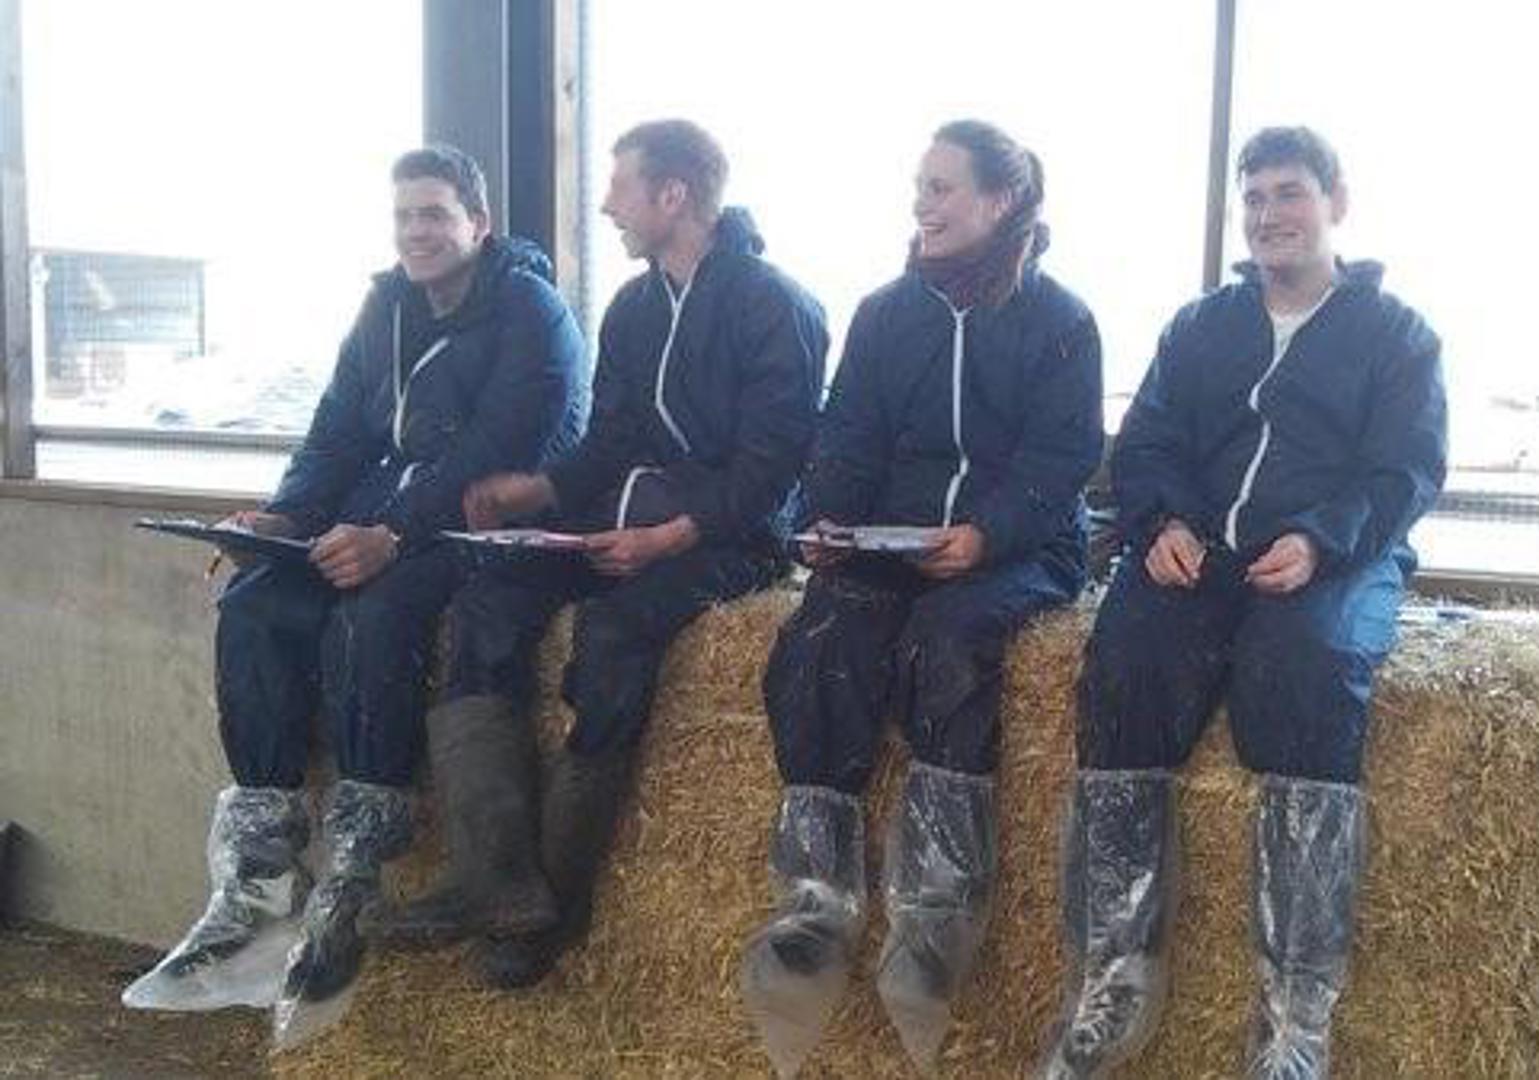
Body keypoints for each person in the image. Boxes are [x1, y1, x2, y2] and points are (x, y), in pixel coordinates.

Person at [124, 145, 590, 1023]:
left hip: (483, 523)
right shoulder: (386, 307)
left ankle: (354, 871)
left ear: (478, 224)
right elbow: (338, 425)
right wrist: (286, 516)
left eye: (435, 214)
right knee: (258, 602)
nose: (416, 231)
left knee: (372, 615)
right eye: (404, 215)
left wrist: (392, 534)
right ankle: (258, 874)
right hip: (393, 508)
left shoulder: (531, 310)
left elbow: (496, 446)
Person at [373, 119, 828, 991]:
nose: (608, 203)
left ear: (673, 196)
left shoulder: (777, 305)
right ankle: (497, 884)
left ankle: (557, 901)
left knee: (615, 636)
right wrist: (534, 494)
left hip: (730, 541)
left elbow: (772, 472)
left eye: (621, 186)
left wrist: (667, 537)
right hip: (619, 517)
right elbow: (611, 439)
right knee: (486, 603)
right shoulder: (634, 305)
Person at [1036, 126, 1447, 1079]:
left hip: (1335, 556)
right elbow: (1146, 442)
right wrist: (1162, 524)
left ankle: (1296, 1013)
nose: (1271, 215)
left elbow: (1406, 471)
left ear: (1336, 202)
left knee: (1307, 670)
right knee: (1128, 659)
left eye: (1290, 193)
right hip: (1203, 551)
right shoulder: (1201, 326)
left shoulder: (1397, 336)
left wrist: (1320, 540)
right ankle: (1113, 973)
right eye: (1255, 197)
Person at [741, 119, 1103, 1075]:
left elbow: (1062, 461)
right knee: (821, 641)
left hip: (1017, 549)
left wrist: (988, 534)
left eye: (943, 187)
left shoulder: (1062, 322)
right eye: (920, 186)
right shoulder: (884, 313)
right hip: (892, 540)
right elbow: (847, 433)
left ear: (1001, 202)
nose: (923, 204)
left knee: (951, 641)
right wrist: (826, 522)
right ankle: (816, 905)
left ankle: (936, 917)